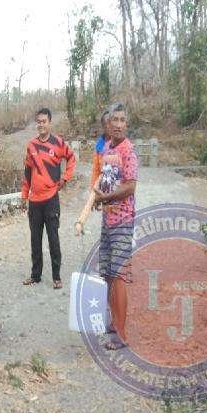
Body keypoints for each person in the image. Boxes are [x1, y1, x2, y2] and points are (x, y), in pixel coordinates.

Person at [92, 102, 138, 350]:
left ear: (126, 124)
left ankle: (121, 335)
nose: (118, 125)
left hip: (122, 220)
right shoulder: (108, 148)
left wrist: (106, 197)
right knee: (108, 273)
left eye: (122, 120)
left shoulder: (129, 150)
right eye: (115, 120)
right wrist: (98, 199)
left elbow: (130, 186)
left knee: (118, 275)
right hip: (107, 219)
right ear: (108, 124)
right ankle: (114, 321)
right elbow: (107, 180)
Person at [21, 108, 76, 289]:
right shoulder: (31, 145)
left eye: (44, 121)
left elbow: (71, 158)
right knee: (35, 240)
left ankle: (56, 276)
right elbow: (27, 173)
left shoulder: (59, 143)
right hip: (34, 202)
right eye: (39, 122)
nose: (41, 124)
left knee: (53, 238)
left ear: (49, 122)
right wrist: (24, 195)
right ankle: (35, 276)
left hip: (51, 199)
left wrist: (65, 178)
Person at [75, 110, 110, 235]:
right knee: (107, 222)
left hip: (119, 193)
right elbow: (96, 171)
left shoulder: (121, 145)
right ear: (103, 126)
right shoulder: (99, 145)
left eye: (111, 122)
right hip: (104, 188)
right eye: (106, 123)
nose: (109, 126)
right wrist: (93, 195)